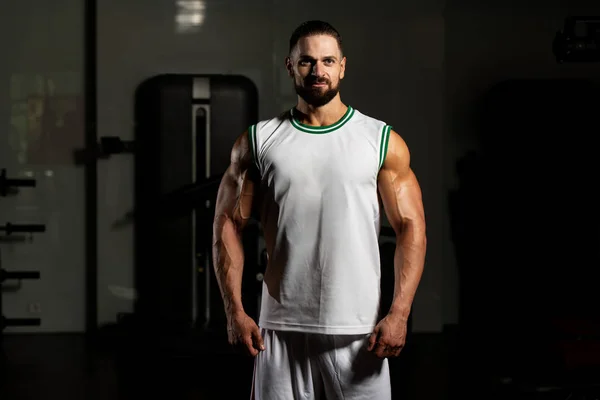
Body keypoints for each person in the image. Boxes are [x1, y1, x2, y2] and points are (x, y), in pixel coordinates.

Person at [212, 20, 427, 400]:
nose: (318, 70)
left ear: (342, 67)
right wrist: (235, 311)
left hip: (359, 329)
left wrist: (400, 313)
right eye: (307, 61)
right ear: (290, 66)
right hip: (278, 330)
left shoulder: (380, 141)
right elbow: (227, 223)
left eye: (328, 61)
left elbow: (411, 227)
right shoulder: (259, 141)